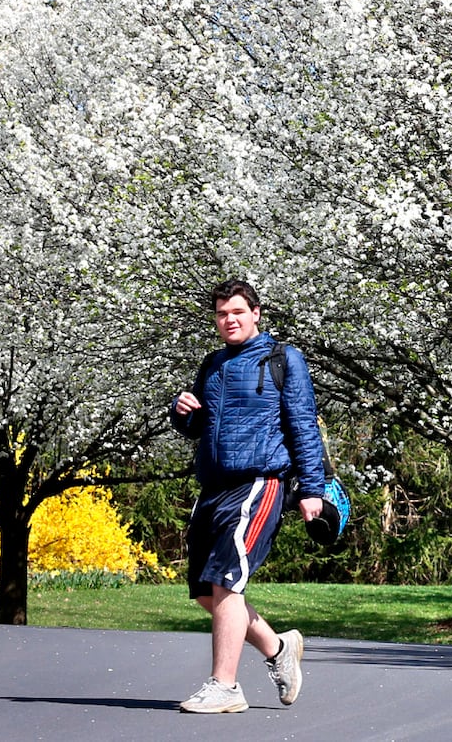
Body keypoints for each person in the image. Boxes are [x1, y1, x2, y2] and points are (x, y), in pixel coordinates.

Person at [169, 279, 326, 714]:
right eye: (221, 314)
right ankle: (278, 649)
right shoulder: (213, 363)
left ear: (255, 313)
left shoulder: (282, 359)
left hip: (260, 482)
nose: (229, 320)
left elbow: (303, 425)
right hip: (214, 486)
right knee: (205, 588)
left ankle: (225, 686)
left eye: (237, 312)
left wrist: (311, 489)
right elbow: (200, 426)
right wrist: (183, 413)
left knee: (226, 580)